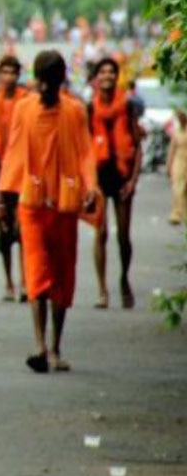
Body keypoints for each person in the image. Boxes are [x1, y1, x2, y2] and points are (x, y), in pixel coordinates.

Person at [0, 50, 98, 373]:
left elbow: (85, 153)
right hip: (32, 203)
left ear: (60, 82)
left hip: (66, 205)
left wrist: (91, 187)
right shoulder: (24, 110)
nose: (43, 88)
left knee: (62, 276)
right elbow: (13, 152)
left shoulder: (75, 111)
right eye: (40, 81)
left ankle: (56, 346)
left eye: (49, 83)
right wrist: (4, 199)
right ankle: (40, 345)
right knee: (37, 272)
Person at [88, 57, 142, 309]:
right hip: (99, 177)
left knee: (123, 236)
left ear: (117, 76)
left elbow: (138, 147)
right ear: (97, 78)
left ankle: (123, 278)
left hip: (122, 176)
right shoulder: (89, 109)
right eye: (103, 71)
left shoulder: (127, 106)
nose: (107, 75)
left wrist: (133, 180)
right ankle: (101, 290)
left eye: (111, 71)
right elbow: (84, 149)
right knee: (100, 234)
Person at [0, 56, 29, 302]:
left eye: (13, 72)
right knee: (4, 228)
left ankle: (25, 281)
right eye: (5, 72)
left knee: (22, 228)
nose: (9, 77)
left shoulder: (26, 100)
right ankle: (9, 283)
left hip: (22, 171)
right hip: (1, 173)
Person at [169, 109, 187, 226]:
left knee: (185, 190)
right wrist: (169, 164)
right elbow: (172, 149)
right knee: (177, 188)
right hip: (178, 161)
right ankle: (176, 214)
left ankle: (183, 213)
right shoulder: (176, 132)